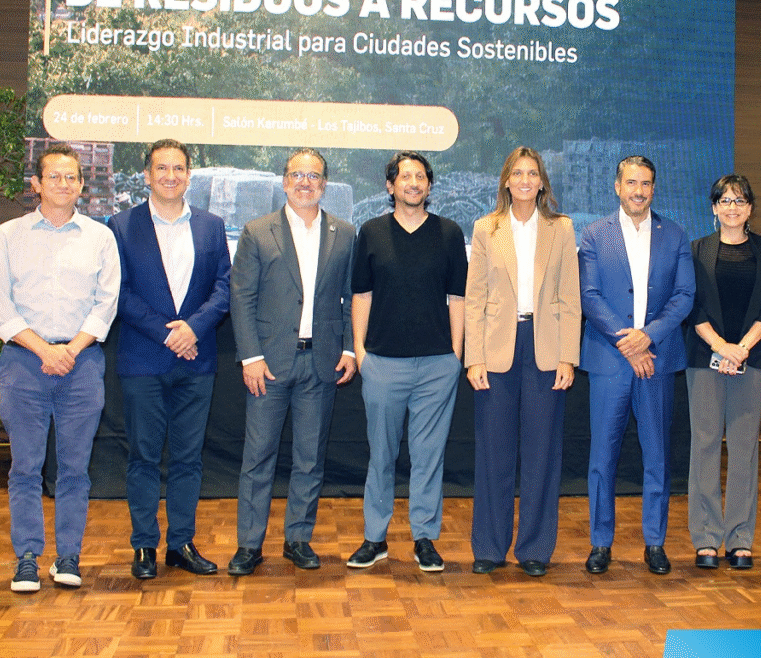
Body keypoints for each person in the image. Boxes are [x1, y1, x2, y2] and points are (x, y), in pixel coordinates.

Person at [0, 143, 120, 592]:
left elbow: (106, 304)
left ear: (82, 185)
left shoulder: (100, 237)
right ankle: (26, 558)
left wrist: (69, 350)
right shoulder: (8, 235)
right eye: (54, 176)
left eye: (71, 177)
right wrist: (45, 350)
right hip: (24, 362)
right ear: (36, 184)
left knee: (75, 469)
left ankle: (68, 556)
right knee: (25, 467)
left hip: (81, 363)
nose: (63, 184)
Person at [228, 148, 356, 576]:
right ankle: (249, 545)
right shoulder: (256, 231)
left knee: (310, 457)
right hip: (268, 364)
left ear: (324, 184)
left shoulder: (344, 233)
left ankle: (298, 538)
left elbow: (350, 297)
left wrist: (349, 349)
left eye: (314, 176)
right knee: (258, 457)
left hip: (321, 363)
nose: (305, 182)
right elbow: (242, 299)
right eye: (297, 175)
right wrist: (250, 357)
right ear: (284, 182)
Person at [108, 139, 231, 580]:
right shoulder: (121, 225)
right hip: (144, 360)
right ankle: (144, 545)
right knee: (143, 456)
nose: (170, 176)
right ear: (147, 175)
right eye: (162, 168)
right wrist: (170, 335)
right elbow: (120, 292)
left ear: (189, 176)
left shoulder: (212, 226)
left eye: (179, 168)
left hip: (196, 361)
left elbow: (224, 287)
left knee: (188, 458)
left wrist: (192, 329)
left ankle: (181, 543)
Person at [348, 151, 468, 572]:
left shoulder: (449, 233)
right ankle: (375, 538)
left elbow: (458, 298)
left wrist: (456, 355)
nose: (413, 183)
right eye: (405, 176)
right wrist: (361, 352)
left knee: (428, 456)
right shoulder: (371, 232)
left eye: (420, 176)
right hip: (383, 363)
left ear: (429, 186)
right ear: (390, 186)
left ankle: (424, 538)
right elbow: (361, 295)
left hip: (437, 366)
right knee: (381, 455)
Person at [464, 147, 581, 577]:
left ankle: (534, 548)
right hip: (496, 348)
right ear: (506, 181)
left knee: (541, 452)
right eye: (518, 173)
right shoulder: (486, 228)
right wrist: (474, 357)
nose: (526, 180)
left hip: (545, 346)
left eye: (533, 173)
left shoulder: (561, 228)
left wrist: (568, 356)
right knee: (493, 453)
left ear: (542, 182)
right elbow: (475, 297)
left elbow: (570, 297)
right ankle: (489, 547)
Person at [579, 155, 694, 575]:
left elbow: (684, 295)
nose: (638, 191)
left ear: (653, 189)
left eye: (646, 183)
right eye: (631, 183)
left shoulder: (675, 234)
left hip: (656, 361)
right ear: (617, 186)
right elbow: (589, 296)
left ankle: (655, 542)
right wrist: (629, 343)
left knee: (657, 456)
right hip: (610, 360)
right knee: (602, 457)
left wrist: (649, 336)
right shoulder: (594, 234)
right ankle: (600, 542)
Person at [685, 174, 761, 571]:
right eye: (724, 200)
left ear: (750, 208)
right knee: (705, 445)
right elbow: (691, 305)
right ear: (714, 207)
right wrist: (720, 346)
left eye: (739, 200)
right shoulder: (697, 250)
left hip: (750, 358)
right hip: (705, 356)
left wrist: (741, 348)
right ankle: (707, 538)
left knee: (744, 447)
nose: (732, 207)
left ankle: (740, 538)